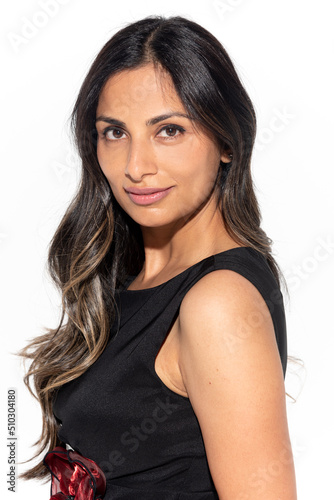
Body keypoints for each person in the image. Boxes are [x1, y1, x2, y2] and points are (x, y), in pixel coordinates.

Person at [20, 15, 297, 499]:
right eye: (114, 132)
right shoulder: (132, 280)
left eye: (169, 130)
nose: (136, 167)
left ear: (227, 141)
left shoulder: (218, 299)